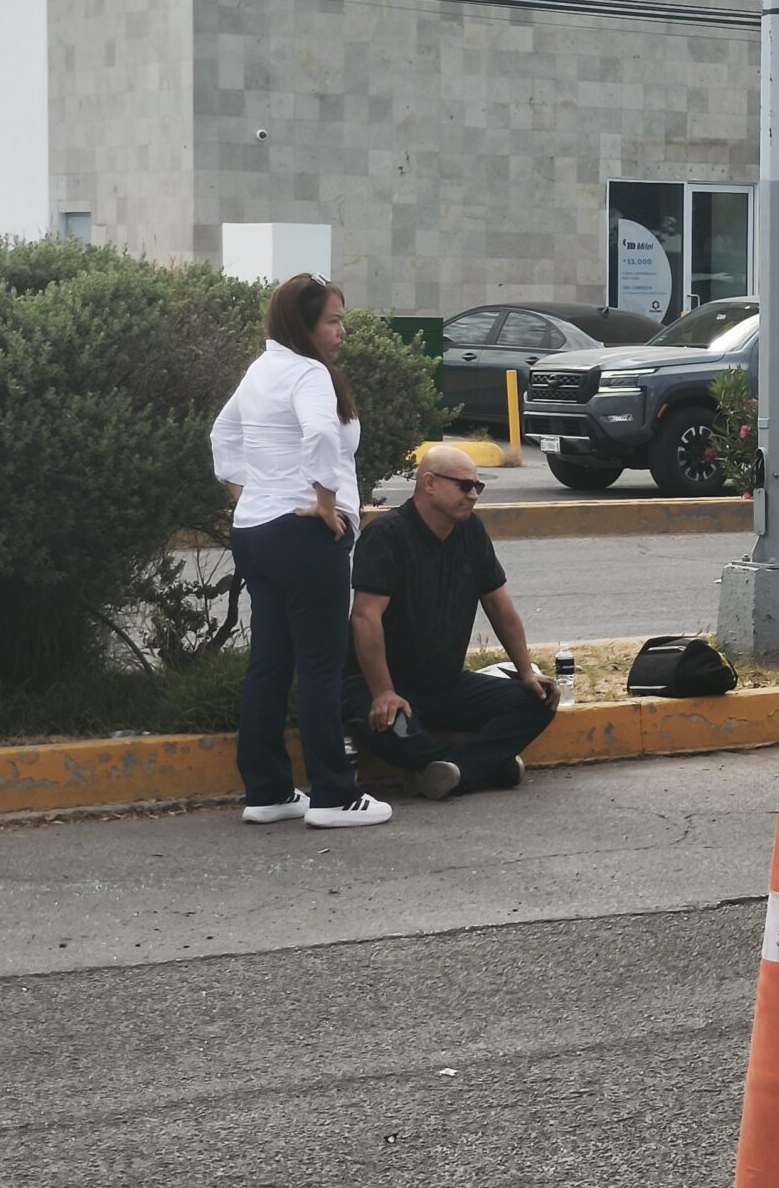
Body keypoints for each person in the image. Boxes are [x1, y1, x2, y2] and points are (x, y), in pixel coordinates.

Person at [212, 273, 391, 828]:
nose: (341, 332)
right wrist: (325, 502)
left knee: (270, 663)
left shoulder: (262, 369)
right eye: (333, 321)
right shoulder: (309, 374)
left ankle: (268, 792)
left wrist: (251, 493)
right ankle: (335, 796)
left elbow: (222, 436)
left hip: (256, 533)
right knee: (320, 666)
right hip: (305, 535)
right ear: (303, 324)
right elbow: (320, 435)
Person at [343, 443, 560, 797]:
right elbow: (365, 617)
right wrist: (383, 692)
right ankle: (485, 765)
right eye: (464, 486)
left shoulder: (470, 531)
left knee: (539, 701)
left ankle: (454, 771)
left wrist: (526, 672)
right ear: (429, 483)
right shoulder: (387, 535)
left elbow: (498, 605)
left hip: (444, 685)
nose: (473, 495)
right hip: (380, 686)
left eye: (478, 486)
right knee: (395, 732)